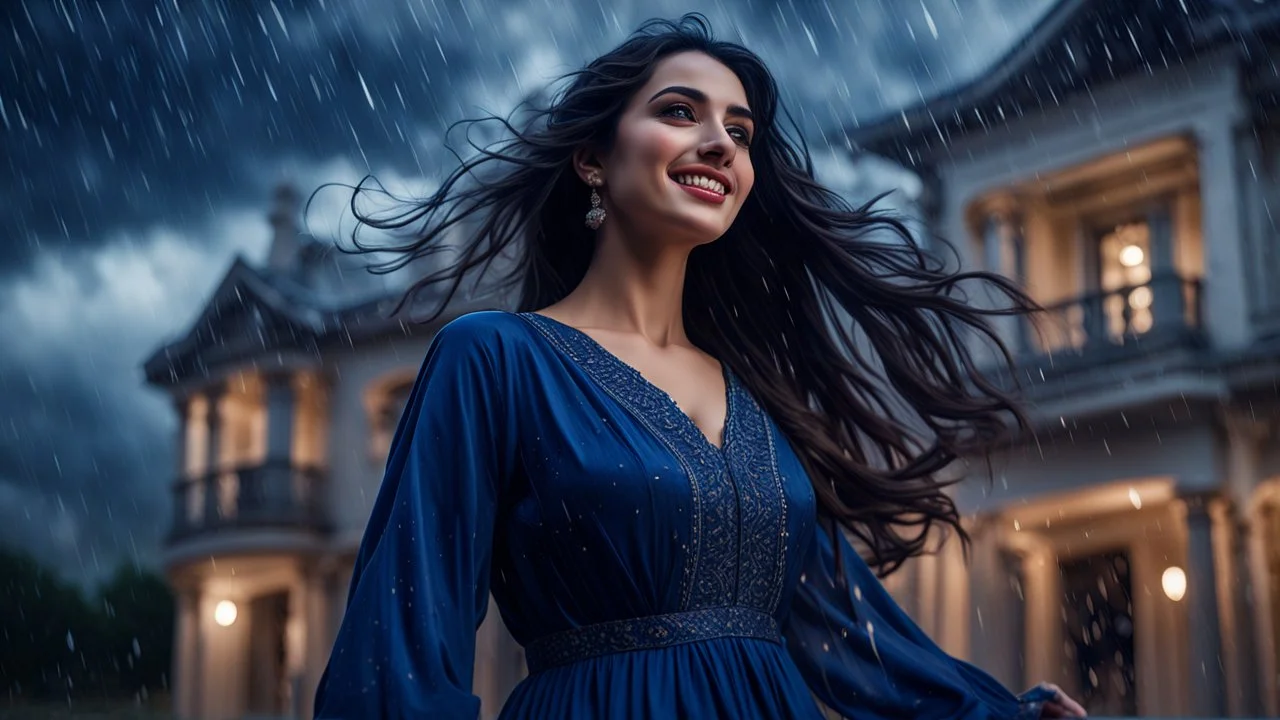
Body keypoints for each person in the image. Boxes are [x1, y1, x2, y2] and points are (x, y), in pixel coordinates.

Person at [312, 14, 1088, 720]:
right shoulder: (494, 358)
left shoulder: (756, 400)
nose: (721, 143)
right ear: (591, 159)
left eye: (741, 132)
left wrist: (1002, 717)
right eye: (680, 112)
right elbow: (404, 641)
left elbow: (850, 640)